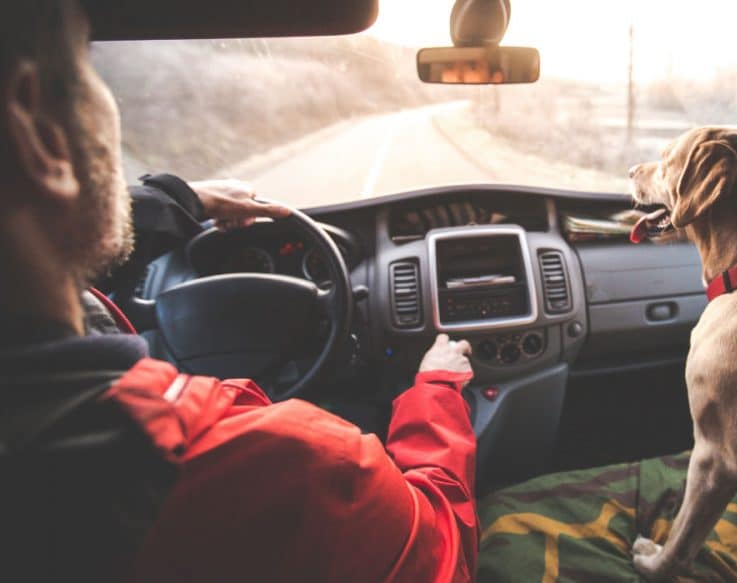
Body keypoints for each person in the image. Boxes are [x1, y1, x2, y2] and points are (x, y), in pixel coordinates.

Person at [0, 2, 478, 581]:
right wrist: (437, 388)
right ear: (38, 132)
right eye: (90, 65)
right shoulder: (271, 466)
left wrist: (174, 200)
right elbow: (441, 548)